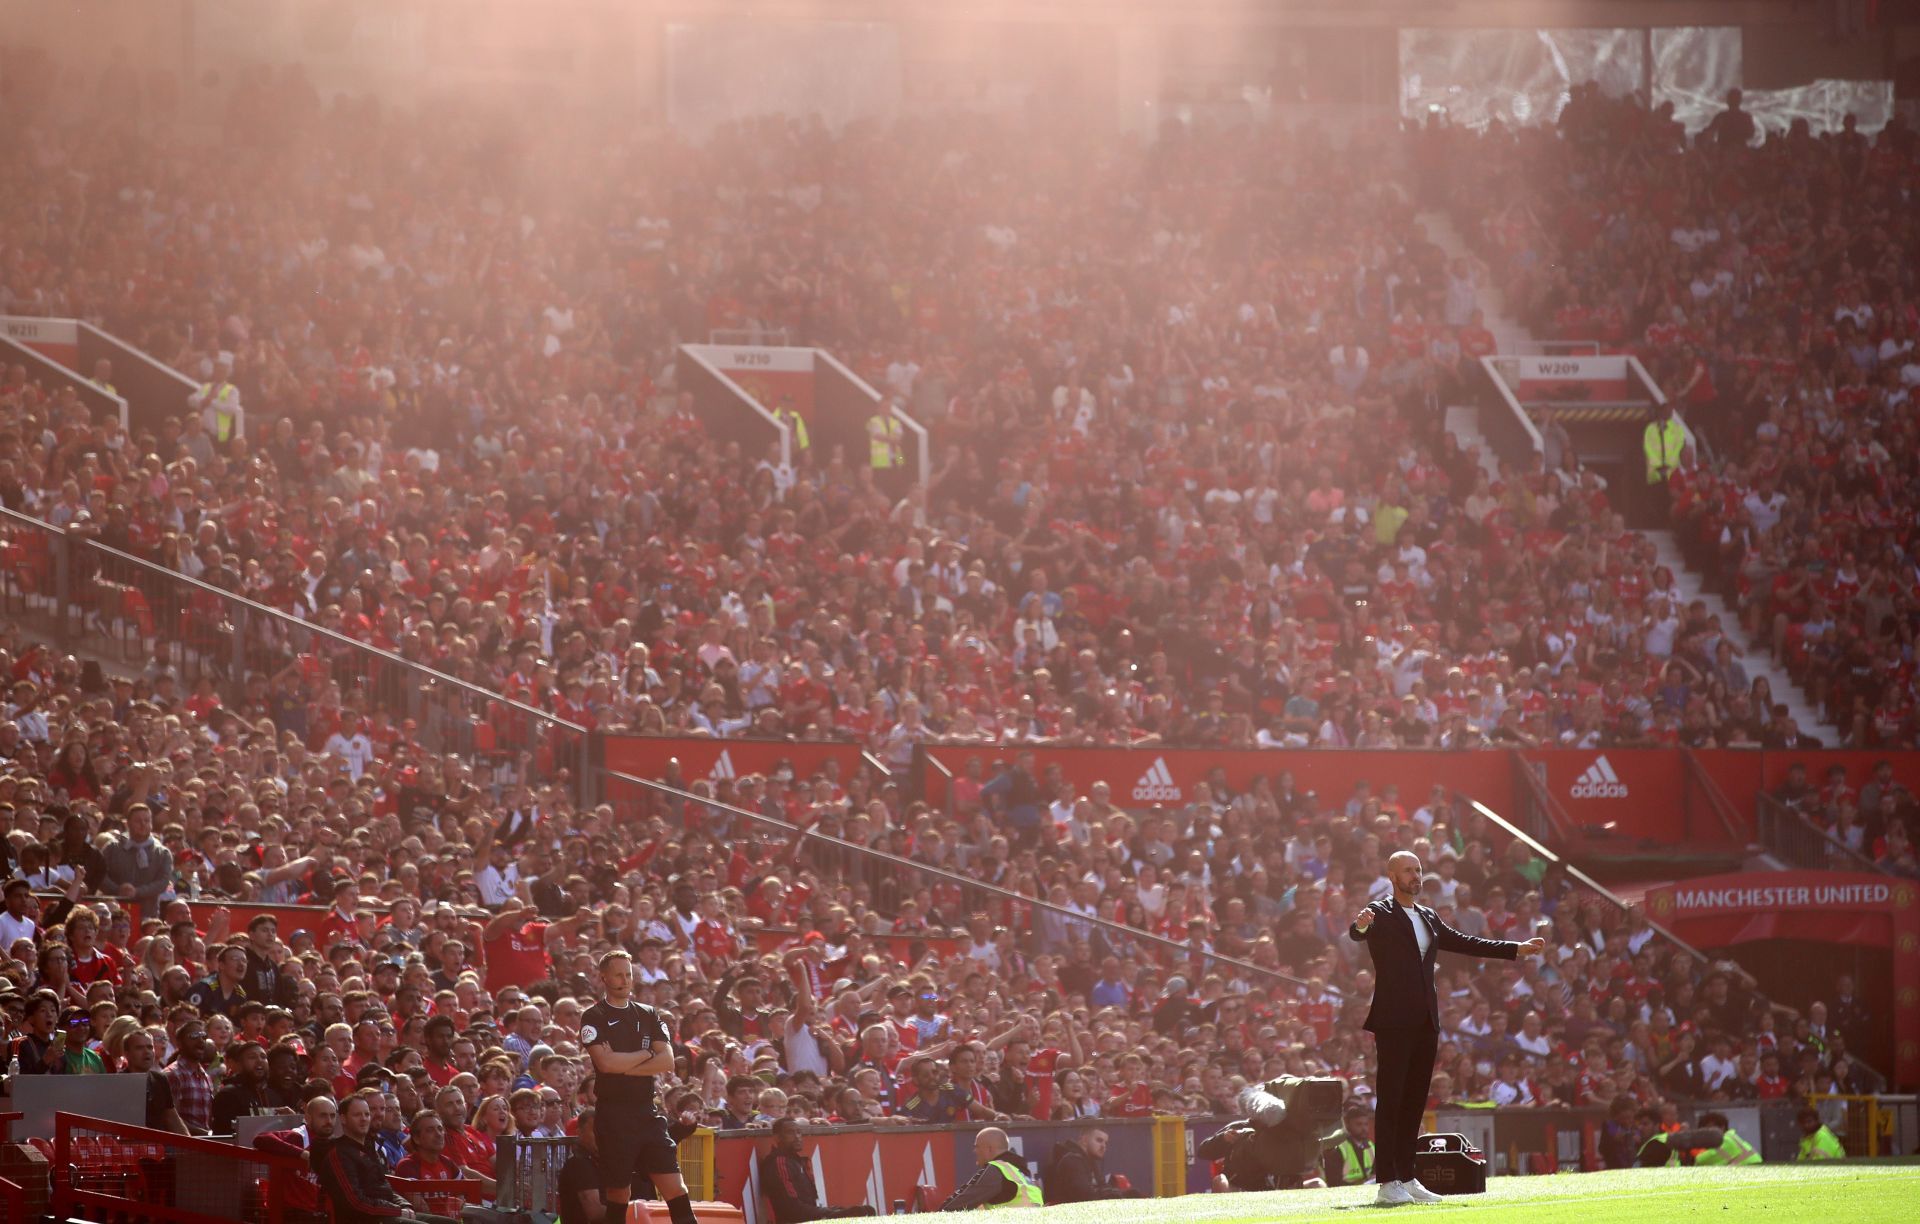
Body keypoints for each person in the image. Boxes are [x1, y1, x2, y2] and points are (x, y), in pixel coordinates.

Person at [1348, 851, 1544, 1206]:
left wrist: (1515, 949)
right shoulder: (1379, 911)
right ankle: (1387, 1181)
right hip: (1394, 1020)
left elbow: (1466, 942)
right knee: (1391, 1100)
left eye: (1418, 870)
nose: (1415, 876)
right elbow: (1358, 932)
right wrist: (1360, 925)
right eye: (1408, 871)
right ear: (1392, 876)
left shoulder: (1428, 915)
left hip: (1426, 1020)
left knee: (1413, 1103)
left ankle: (1407, 1178)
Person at [581, 950, 698, 1224]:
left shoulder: (649, 1014)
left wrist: (624, 1063)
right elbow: (605, 1063)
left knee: (676, 1188)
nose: (625, 979)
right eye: (618, 974)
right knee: (619, 1193)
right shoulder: (593, 1016)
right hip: (613, 1115)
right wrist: (645, 1055)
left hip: (647, 1113)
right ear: (604, 978)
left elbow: (667, 1061)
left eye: (629, 974)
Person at [315, 1088, 460, 1223]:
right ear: (343, 1119)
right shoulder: (339, 1153)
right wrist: (396, 1210)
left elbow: (385, 1187)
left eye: (366, 1114)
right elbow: (354, 1202)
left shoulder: (372, 1149)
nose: (364, 1119)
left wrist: (405, 1205)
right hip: (366, 1218)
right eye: (357, 1115)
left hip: (386, 1212)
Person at [762, 1117, 877, 1222]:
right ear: (777, 1137)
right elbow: (791, 1207)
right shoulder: (779, 1162)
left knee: (863, 1211)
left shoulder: (795, 1161)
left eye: (798, 1132)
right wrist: (830, 1213)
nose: (797, 1137)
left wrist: (834, 1211)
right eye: (790, 1132)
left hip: (808, 1218)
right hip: (795, 1221)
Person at [937, 1127, 1043, 1211]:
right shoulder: (1021, 1171)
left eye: (977, 1146)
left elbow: (954, 1205)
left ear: (989, 1149)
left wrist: (938, 1213)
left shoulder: (995, 1169)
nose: (974, 1151)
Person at [1042, 1127, 1136, 1204]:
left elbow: (1102, 1187)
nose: (1103, 1146)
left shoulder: (1089, 1161)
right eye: (1099, 1140)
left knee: (1133, 1194)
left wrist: (1121, 1194)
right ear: (1084, 1140)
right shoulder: (1072, 1161)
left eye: (1105, 1142)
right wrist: (1115, 1194)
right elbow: (1085, 1196)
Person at [555, 1108, 607, 1224]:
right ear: (579, 1133)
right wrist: (632, 1209)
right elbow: (595, 1212)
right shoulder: (579, 1164)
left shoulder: (603, 1162)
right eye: (595, 1130)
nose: (602, 1136)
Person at [1322, 1104, 1376, 1186]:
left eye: (1366, 1124)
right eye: (1359, 1124)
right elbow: (1333, 1182)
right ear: (1347, 1125)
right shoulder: (1337, 1148)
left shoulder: (1371, 1146)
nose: (1364, 1128)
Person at [1691, 1111, 1762, 1166]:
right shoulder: (1731, 1137)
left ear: (1722, 1127)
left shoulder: (1726, 1141)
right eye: (1704, 1131)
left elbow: (1700, 1161)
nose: (1706, 1133)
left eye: (1709, 1128)